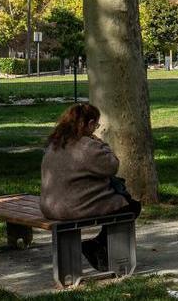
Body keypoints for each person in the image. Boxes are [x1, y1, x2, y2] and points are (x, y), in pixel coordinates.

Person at [41, 103, 140, 272]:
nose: (96, 129)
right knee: (130, 206)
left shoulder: (55, 143)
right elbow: (112, 165)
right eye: (96, 125)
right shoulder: (88, 146)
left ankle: (97, 245)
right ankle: (99, 246)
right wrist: (102, 144)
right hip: (72, 207)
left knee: (120, 202)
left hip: (50, 206)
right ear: (89, 123)